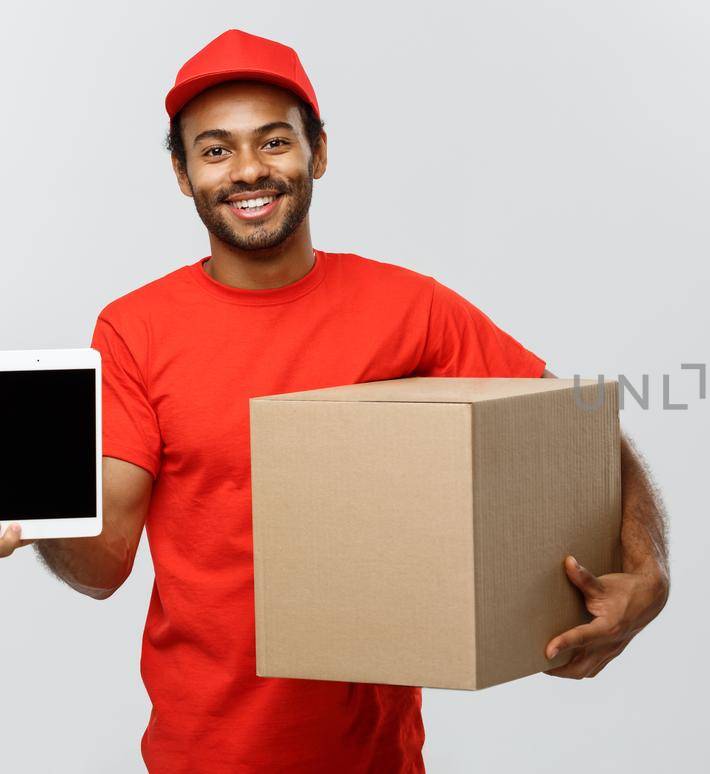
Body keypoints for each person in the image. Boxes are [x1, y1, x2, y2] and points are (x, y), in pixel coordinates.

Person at [0, 29, 670, 773]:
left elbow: (573, 425)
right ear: (183, 175)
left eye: (274, 142)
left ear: (318, 153)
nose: (248, 170)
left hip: (378, 757)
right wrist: (36, 514)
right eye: (215, 150)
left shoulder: (408, 308)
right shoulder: (134, 329)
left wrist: (648, 569)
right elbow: (103, 567)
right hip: (204, 755)